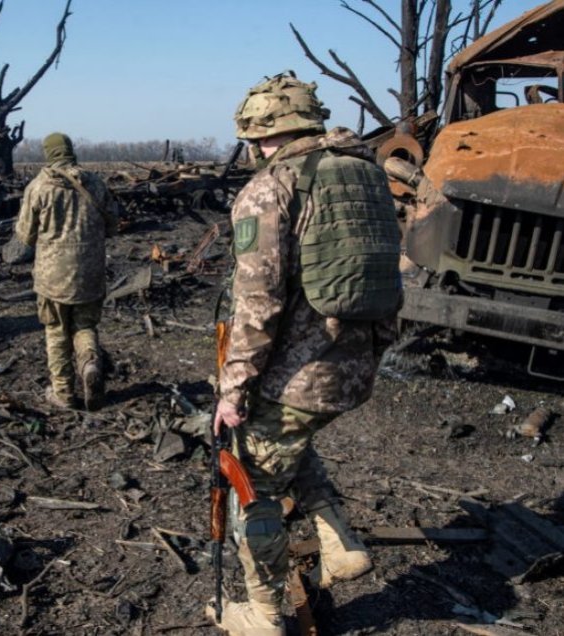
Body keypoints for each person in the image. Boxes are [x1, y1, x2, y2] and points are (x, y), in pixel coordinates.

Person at [210, 73, 402, 635]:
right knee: (291, 442)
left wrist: (233, 388)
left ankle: (266, 614)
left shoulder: (270, 188)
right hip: (355, 364)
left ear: (256, 132)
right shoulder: (365, 173)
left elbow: (258, 300)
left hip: (298, 374)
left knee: (252, 478)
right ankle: (340, 543)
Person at [15, 132, 119, 410]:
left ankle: (63, 393)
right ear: (71, 150)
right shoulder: (95, 183)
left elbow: (25, 235)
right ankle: (89, 365)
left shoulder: (39, 187)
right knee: (85, 326)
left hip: (53, 278)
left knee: (56, 331)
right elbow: (113, 224)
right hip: (90, 273)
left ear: (48, 153)